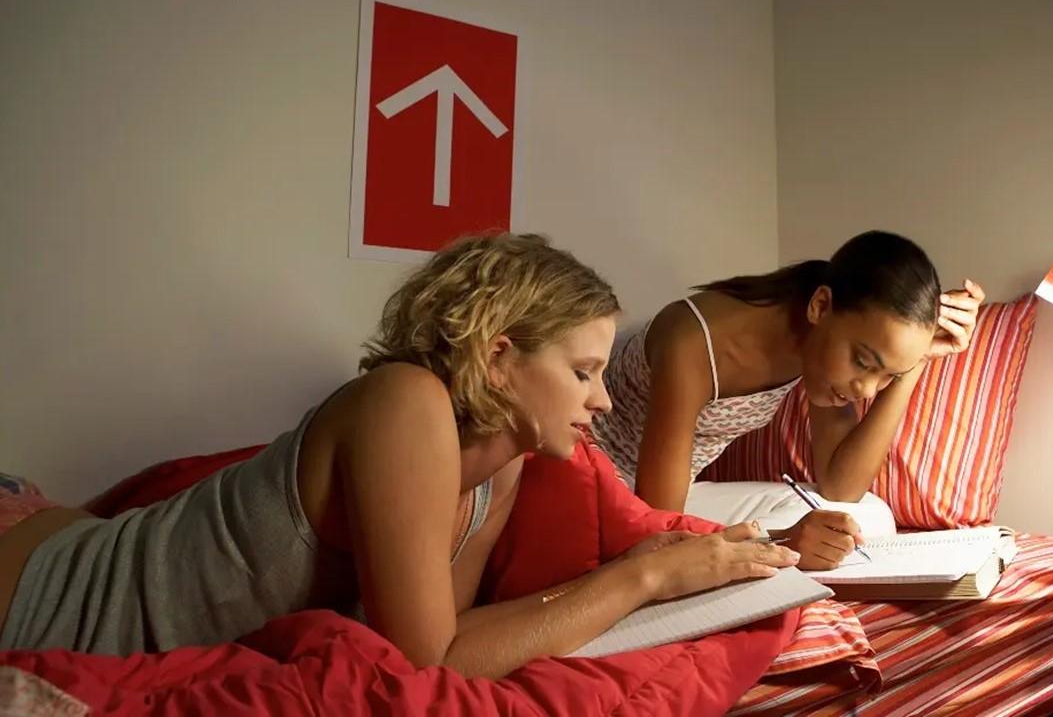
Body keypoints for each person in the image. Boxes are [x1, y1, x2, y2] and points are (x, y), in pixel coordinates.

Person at [0, 233, 799, 678]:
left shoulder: (505, 466)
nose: (604, 400)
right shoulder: (405, 401)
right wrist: (644, 576)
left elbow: (440, 647)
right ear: (498, 357)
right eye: (583, 372)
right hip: (36, 588)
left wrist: (646, 566)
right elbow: (429, 657)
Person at [592, 231, 984, 568]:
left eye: (885, 374)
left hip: (676, 496)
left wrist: (914, 364)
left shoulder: (817, 344)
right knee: (820, 534)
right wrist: (784, 542)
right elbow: (657, 529)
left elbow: (841, 487)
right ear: (821, 306)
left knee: (865, 518)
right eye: (863, 362)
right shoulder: (694, 342)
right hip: (606, 497)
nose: (866, 389)